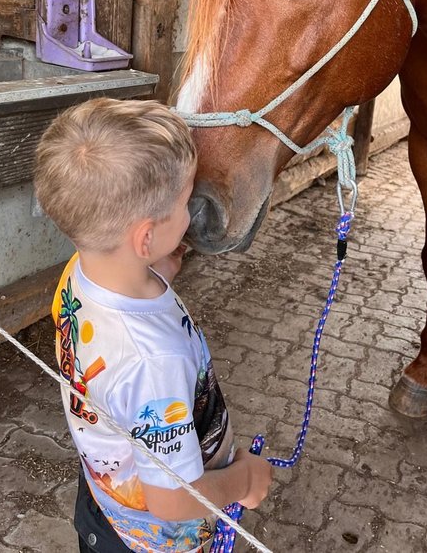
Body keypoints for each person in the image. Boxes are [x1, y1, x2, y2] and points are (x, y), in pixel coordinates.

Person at [34, 98, 272, 553]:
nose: (189, 216)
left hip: (105, 505)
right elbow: (173, 499)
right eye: (185, 202)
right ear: (144, 237)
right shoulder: (152, 363)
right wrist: (243, 480)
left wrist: (155, 271)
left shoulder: (79, 274)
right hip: (153, 540)